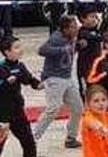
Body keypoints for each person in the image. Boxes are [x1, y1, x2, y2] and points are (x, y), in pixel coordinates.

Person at [0, 36, 42, 157]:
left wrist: (39, 84)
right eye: (16, 47)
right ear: (7, 52)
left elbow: (28, 79)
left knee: (29, 143)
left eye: (20, 46)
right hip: (1, 114)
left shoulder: (20, 66)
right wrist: (3, 83)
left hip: (17, 111)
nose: (20, 50)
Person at [32, 15, 84, 149]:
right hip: (54, 78)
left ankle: (71, 138)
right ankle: (33, 138)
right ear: (65, 29)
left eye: (76, 26)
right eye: (72, 27)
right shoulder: (56, 38)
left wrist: (78, 46)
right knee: (53, 108)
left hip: (67, 77)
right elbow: (41, 50)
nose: (76, 29)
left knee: (78, 108)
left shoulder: (72, 37)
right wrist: (61, 50)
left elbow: (71, 50)